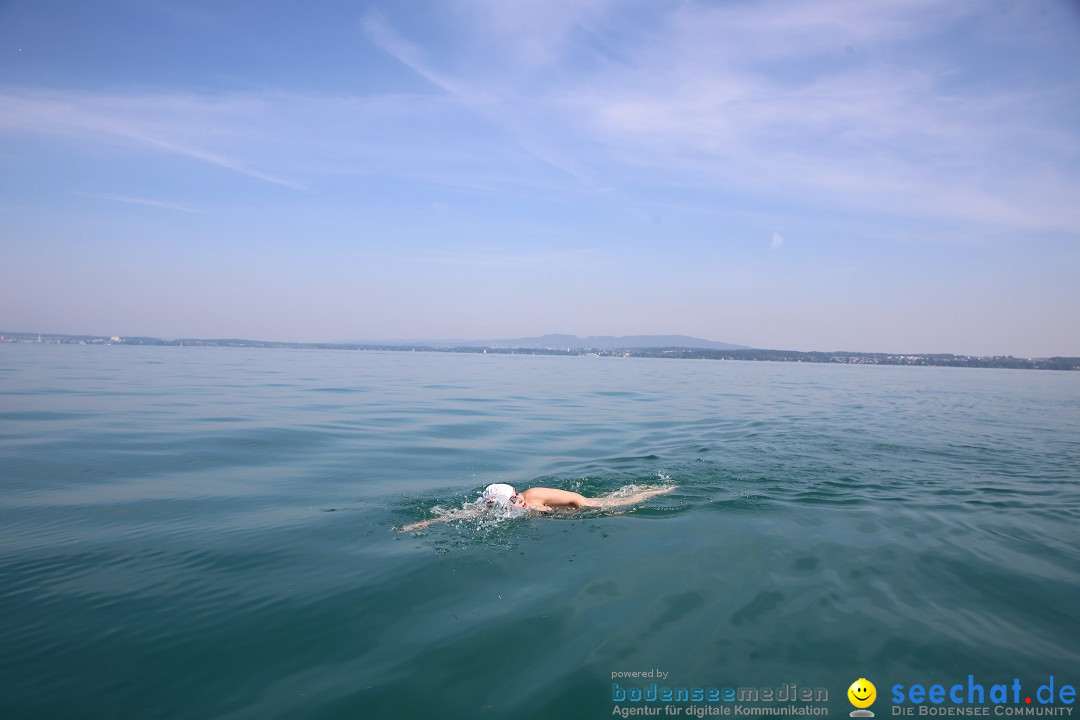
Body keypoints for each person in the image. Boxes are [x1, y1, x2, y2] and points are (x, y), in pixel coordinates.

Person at [397, 482, 675, 532]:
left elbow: (574, 501)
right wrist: (421, 524)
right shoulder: (497, 506)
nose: (513, 506)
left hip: (580, 506)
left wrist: (597, 512)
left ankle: (661, 489)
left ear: (517, 496)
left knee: (622, 502)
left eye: (514, 502)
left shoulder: (532, 497)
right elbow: (456, 515)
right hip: (558, 513)